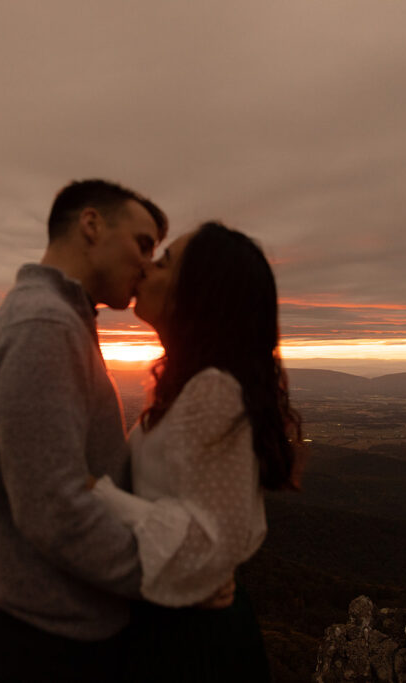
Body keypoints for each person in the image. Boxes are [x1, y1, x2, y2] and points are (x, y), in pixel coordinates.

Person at [0, 179, 169, 682]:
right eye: (143, 243)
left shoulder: (58, 318)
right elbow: (53, 509)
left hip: (46, 629)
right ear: (92, 224)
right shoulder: (45, 325)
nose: (148, 263)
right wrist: (167, 576)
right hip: (50, 644)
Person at [92, 221, 302, 682]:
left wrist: (96, 495)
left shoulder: (212, 391)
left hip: (195, 642)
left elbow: (209, 546)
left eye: (164, 261)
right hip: (178, 624)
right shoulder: (183, 385)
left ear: (200, 292)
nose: (146, 266)